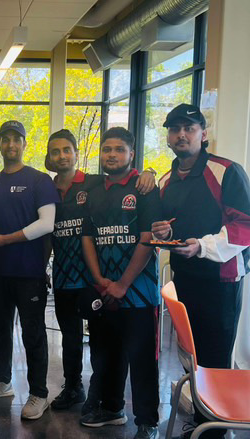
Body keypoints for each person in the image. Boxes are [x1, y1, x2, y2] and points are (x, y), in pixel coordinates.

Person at [151, 104, 250, 439]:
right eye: (174, 129)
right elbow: (168, 227)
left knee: (214, 361)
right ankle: (202, 422)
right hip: (183, 279)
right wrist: (164, 232)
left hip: (221, 282)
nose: (181, 135)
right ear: (168, 136)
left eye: (189, 128)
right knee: (191, 359)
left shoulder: (227, 171)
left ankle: (216, 431)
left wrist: (202, 246)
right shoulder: (167, 180)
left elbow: (246, 226)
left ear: (203, 133)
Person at [44, 129, 156, 414]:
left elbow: (127, 177)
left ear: (77, 154)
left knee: (100, 344)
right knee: (71, 337)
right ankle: (74, 388)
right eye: (55, 151)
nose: (61, 156)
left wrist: (149, 171)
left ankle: (103, 396)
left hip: (93, 280)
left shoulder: (93, 183)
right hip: (65, 276)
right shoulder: (44, 188)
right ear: (48, 156)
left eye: (66, 150)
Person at [0, 120, 59, 421]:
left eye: (16, 139)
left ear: (24, 144)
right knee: (0, 331)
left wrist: (5, 239)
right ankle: (2, 381)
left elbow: (47, 225)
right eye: (5, 139)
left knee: (33, 334)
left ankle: (39, 393)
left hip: (29, 272)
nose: (10, 145)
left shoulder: (39, 180)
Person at [81, 127, 161, 439]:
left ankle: (147, 421)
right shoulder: (93, 189)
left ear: (131, 154)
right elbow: (87, 236)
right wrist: (101, 280)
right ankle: (112, 408)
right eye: (106, 149)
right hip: (104, 289)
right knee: (105, 352)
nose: (111, 155)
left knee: (142, 359)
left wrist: (123, 285)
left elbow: (147, 239)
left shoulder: (145, 189)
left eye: (119, 149)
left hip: (138, 293)